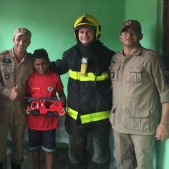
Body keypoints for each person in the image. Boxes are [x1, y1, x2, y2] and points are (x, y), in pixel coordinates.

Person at [51, 14, 115, 169]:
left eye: (88, 31)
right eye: (81, 32)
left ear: (96, 33)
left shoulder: (109, 56)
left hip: (99, 118)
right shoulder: (69, 54)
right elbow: (57, 68)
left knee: (99, 157)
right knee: (75, 157)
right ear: (76, 34)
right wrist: (40, 63)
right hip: (76, 118)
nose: (84, 35)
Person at [110, 20, 169, 169]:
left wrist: (164, 123)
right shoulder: (115, 59)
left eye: (133, 32)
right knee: (123, 164)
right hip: (119, 123)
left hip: (142, 126)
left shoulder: (151, 58)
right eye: (125, 32)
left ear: (140, 36)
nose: (128, 35)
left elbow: (165, 92)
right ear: (120, 37)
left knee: (144, 166)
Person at [0, 28, 35, 169]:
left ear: (29, 43)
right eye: (18, 39)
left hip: (21, 112)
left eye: (25, 40)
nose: (21, 43)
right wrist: (7, 92)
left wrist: (31, 104)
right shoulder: (1, 58)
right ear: (13, 40)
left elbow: (34, 86)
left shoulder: (32, 62)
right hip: (2, 111)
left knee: (18, 148)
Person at [26, 48, 66, 169]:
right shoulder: (30, 78)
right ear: (33, 64)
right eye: (37, 64)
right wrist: (27, 107)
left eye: (43, 63)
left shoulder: (55, 77)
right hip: (33, 122)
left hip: (50, 123)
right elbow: (26, 98)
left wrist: (62, 106)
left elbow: (62, 95)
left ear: (48, 62)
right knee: (34, 149)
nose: (41, 67)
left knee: (49, 150)